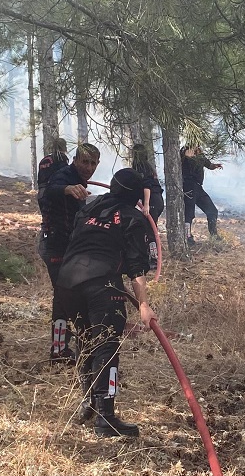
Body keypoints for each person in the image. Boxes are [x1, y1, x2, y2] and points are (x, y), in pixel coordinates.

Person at [56, 168, 158, 436]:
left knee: (85, 340)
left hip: (67, 282)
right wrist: (144, 305)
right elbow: (137, 269)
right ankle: (106, 417)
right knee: (106, 347)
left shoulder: (91, 206)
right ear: (136, 195)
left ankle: (88, 403)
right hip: (101, 285)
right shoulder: (134, 218)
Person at [39, 142, 100, 361]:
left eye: (93, 163)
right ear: (75, 160)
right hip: (54, 246)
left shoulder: (81, 180)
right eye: (84, 162)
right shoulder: (63, 175)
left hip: (69, 248)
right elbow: (51, 191)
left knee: (70, 296)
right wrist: (67, 189)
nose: (88, 167)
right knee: (63, 298)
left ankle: (65, 347)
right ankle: (59, 350)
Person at [180, 144, 222, 243]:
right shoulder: (184, 153)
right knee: (188, 213)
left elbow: (208, 165)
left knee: (212, 211)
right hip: (188, 186)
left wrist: (215, 166)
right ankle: (187, 237)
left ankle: (214, 235)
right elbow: (179, 163)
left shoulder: (200, 155)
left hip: (198, 187)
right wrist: (186, 157)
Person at [130, 142, 164, 221]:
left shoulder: (141, 167)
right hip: (158, 200)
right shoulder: (147, 167)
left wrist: (146, 205)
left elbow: (147, 186)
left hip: (153, 201)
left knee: (149, 228)